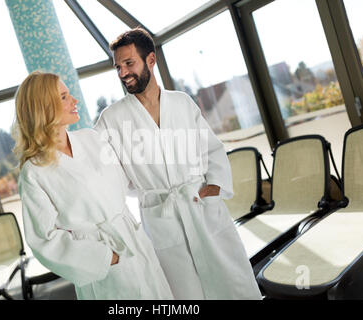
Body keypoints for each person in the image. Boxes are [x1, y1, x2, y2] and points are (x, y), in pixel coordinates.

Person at [95, 28, 262, 300]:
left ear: (151, 60)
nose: (123, 73)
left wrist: (214, 188)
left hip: (202, 209)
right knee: (185, 295)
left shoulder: (182, 103)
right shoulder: (111, 119)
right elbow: (100, 171)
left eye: (129, 63)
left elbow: (212, 150)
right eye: (118, 67)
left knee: (234, 285)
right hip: (161, 220)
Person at [14, 71, 173, 300]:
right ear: (44, 108)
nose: (74, 101)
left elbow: (125, 178)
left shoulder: (90, 138)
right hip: (104, 264)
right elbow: (44, 240)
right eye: (64, 97)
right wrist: (106, 258)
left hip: (134, 242)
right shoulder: (34, 172)